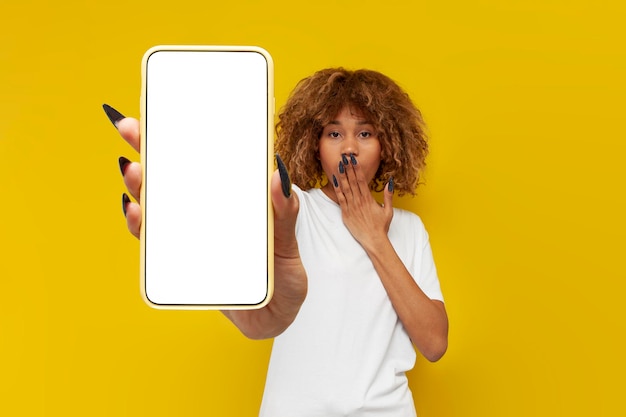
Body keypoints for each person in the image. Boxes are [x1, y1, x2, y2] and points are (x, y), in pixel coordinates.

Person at [103, 67, 448, 417]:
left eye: (365, 133)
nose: (348, 147)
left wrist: (375, 238)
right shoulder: (291, 207)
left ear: (387, 143)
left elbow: (434, 344)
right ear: (314, 144)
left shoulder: (409, 229)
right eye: (333, 133)